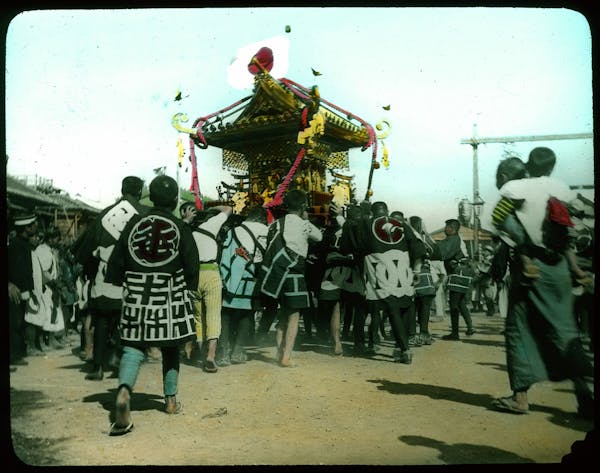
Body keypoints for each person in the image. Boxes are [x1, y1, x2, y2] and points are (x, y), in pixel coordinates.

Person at [489, 149, 594, 418]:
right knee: (565, 329)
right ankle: (585, 396)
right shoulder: (561, 188)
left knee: (519, 327)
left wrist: (521, 246)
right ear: (553, 167)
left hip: (530, 263)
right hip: (558, 265)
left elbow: (499, 217)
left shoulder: (515, 187)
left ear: (527, 164)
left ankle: (520, 397)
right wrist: (572, 264)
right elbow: (571, 224)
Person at [104, 174, 200, 435]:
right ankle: (170, 400)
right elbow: (192, 264)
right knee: (170, 347)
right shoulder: (180, 226)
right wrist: (191, 289)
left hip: (137, 292)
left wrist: (118, 279)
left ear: (151, 197)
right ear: (174, 200)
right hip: (169, 293)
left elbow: (117, 260)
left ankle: (124, 391)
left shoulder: (135, 222)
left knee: (133, 348)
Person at [73, 176, 146, 381]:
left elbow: (84, 249)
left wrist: (89, 267)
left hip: (104, 275)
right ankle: (118, 360)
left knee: (102, 319)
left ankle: (98, 366)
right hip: (132, 276)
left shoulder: (105, 214)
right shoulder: (143, 213)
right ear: (140, 192)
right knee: (128, 320)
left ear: (122, 190)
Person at [260, 189, 323, 367]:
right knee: (294, 317)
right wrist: (306, 219)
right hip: (295, 273)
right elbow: (319, 236)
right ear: (303, 206)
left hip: (277, 273)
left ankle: (279, 352)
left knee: (282, 315)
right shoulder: (304, 224)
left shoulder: (276, 224)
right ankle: (286, 356)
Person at [357, 201, 425, 364]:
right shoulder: (402, 224)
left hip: (380, 270)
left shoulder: (366, 224)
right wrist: (417, 270)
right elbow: (418, 246)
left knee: (392, 307)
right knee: (404, 305)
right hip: (403, 269)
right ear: (387, 211)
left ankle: (404, 349)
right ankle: (401, 346)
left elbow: (355, 246)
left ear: (373, 212)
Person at [217, 206, 268, 365]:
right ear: (262, 218)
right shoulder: (268, 231)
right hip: (254, 279)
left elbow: (225, 254)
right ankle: (238, 351)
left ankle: (224, 351)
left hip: (233, 278)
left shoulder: (235, 230)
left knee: (225, 313)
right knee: (246, 314)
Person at [187, 204, 233, 372]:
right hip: (211, 273)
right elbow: (228, 209)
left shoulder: (188, 232)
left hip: (193, 276)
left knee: (198, 317)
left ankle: (200, 353)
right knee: (213, 315)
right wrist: (210, 206)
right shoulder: (211, 225)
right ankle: (210, 357)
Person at [431, 218, 475, 340]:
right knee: (460, 302)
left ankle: (455, 333)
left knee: (454, 304)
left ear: (453, 229)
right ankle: (470, 327)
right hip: (463, 271)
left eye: (447, 227)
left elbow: (442, 251)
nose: (445, 229)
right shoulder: (456, 238)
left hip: (458, 272)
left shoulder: (453, 239)